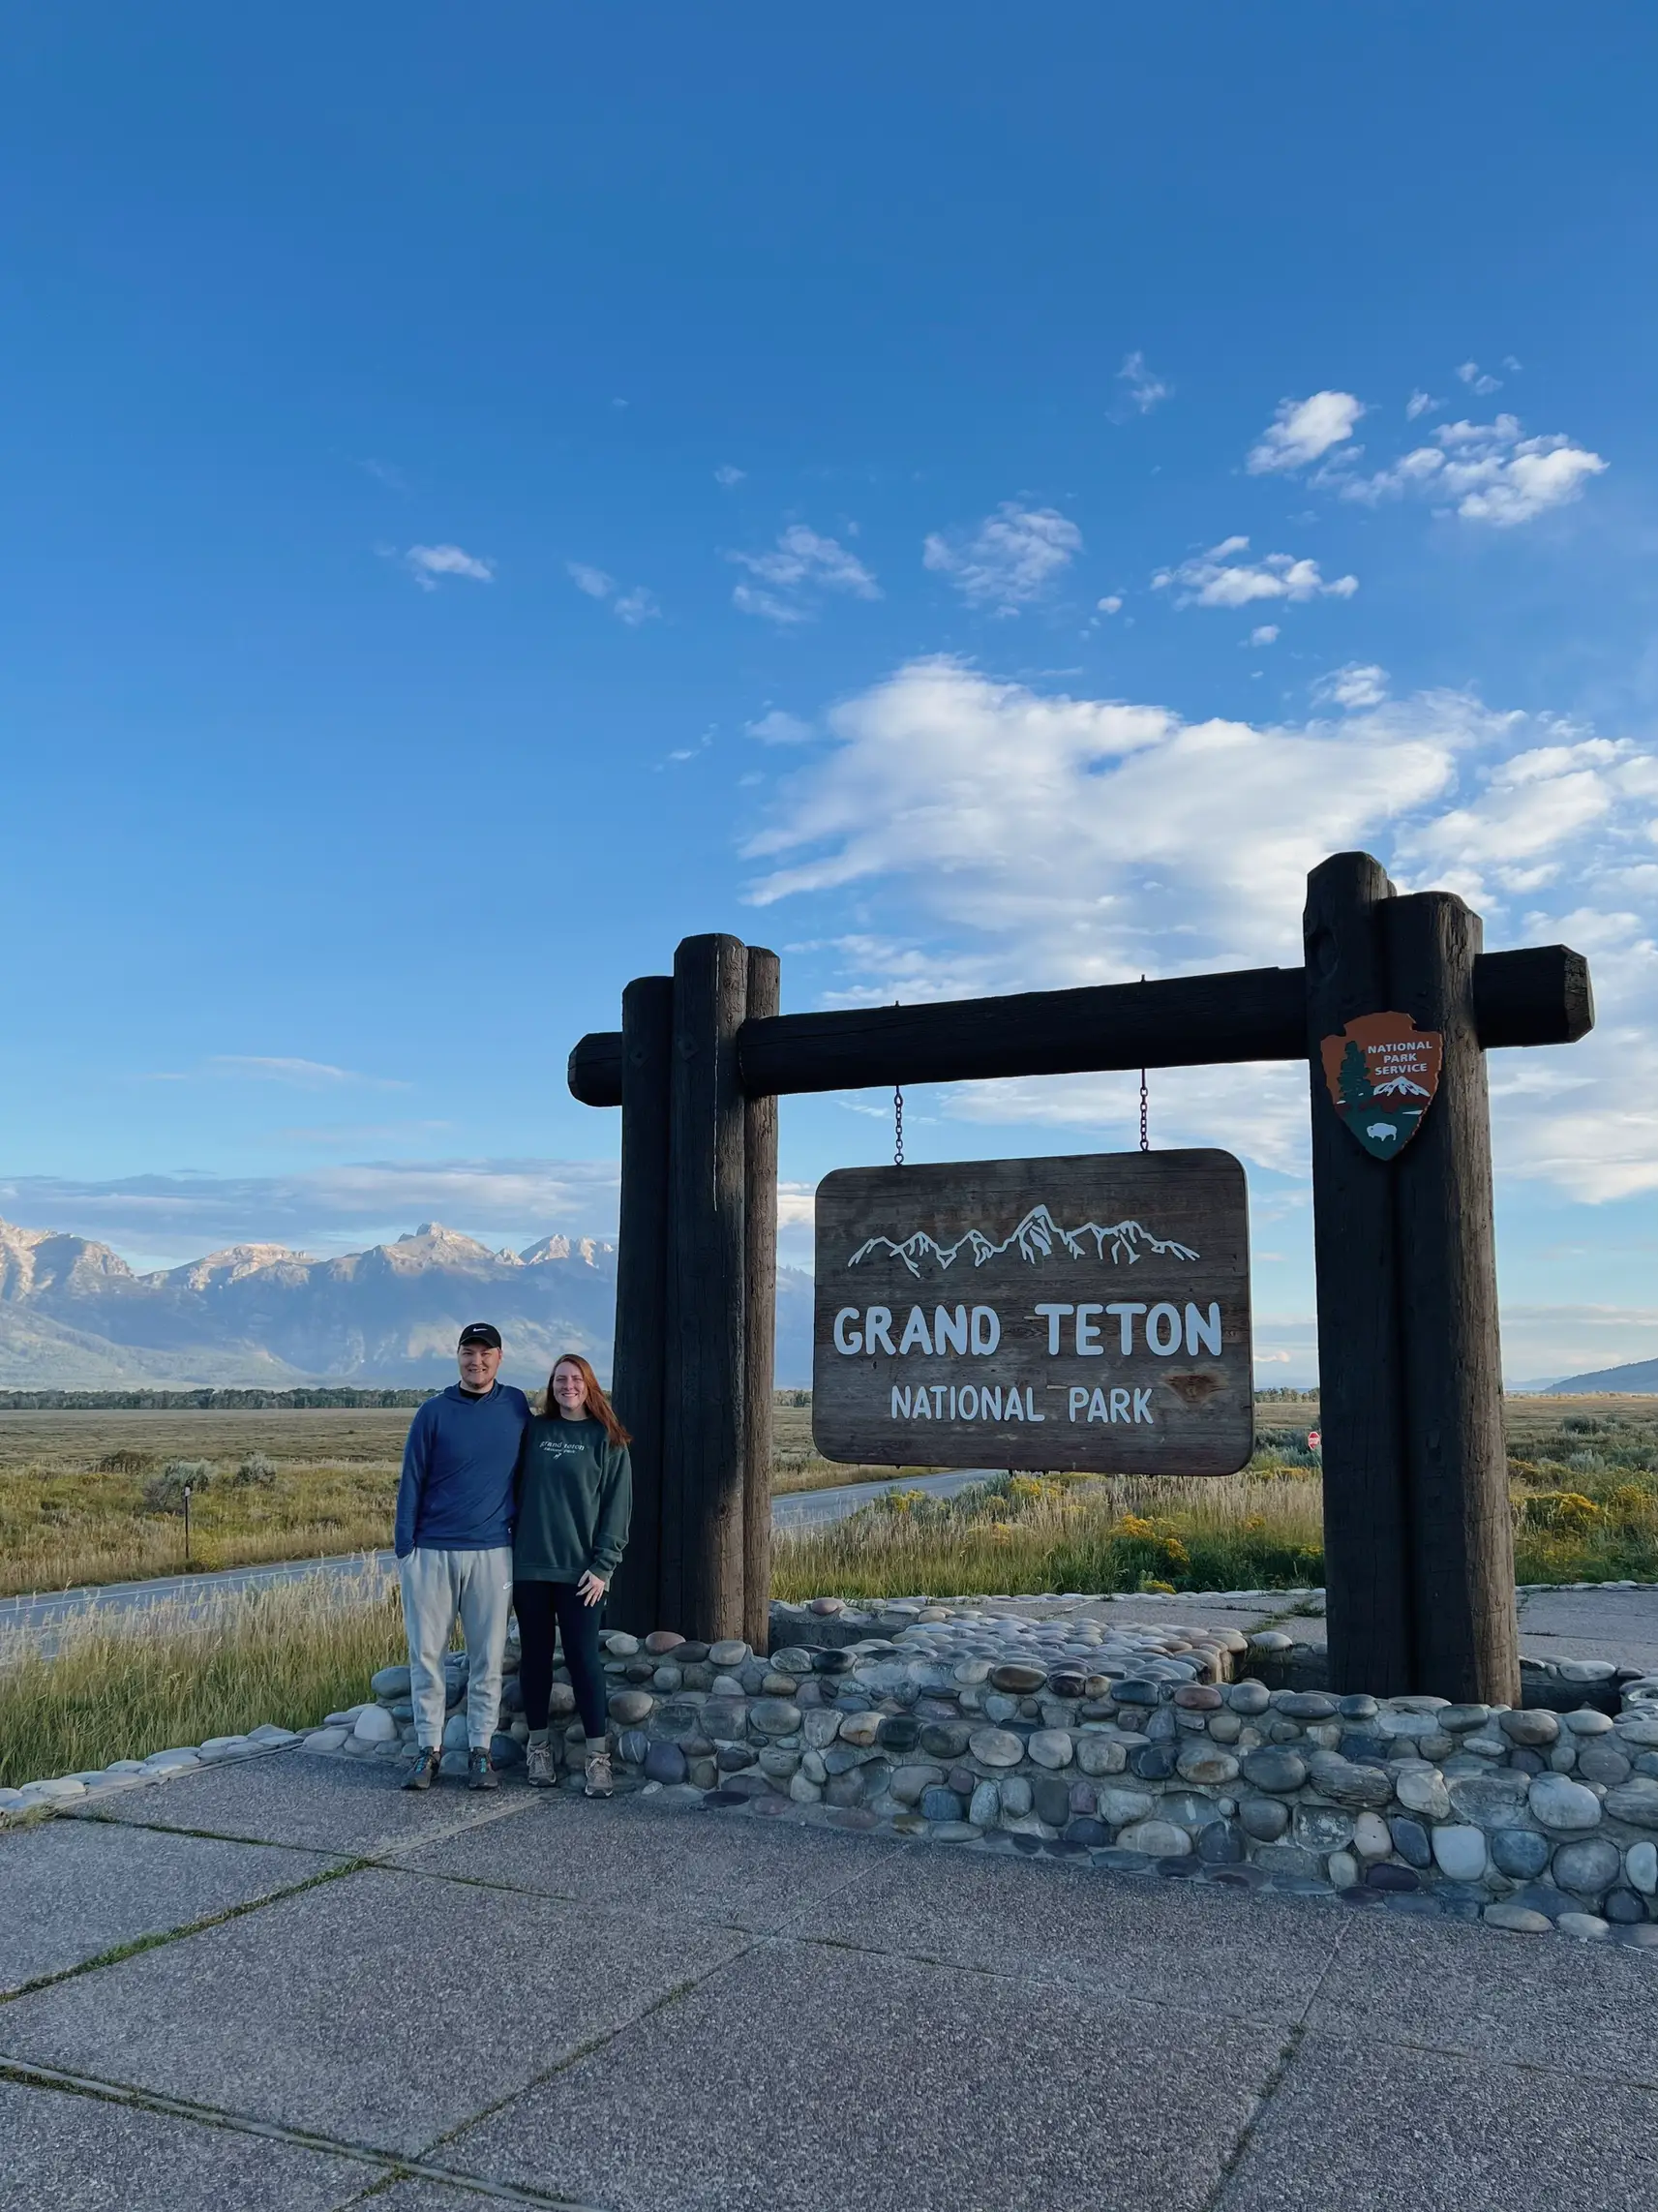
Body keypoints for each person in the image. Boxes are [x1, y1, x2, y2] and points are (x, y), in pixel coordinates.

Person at [394, 1322, 529, 1792]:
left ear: (499, 1358)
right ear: (457, 1357)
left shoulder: (515, 1407)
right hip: (431, 1550)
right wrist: (404, 1550)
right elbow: (410, 1480)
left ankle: (480, 1751)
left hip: (493, 1552)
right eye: (468, 1353)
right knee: (425, 1654)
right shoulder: (432, 1413)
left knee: (486, 1656)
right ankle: (427, 1751)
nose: (477, 1361)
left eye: (485, 1353)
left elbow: (531, 1474)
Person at [513, 1351, 632, 1798]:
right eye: (560, 1379)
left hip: (583, 1574)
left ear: (589, 1385)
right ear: (551, 1386)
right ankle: (538, 1748)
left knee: (584, 1659)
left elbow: (617, 1511)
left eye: (575, 1379)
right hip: (530, 1567)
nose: (567, 1386)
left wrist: (603, 1566)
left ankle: (598, 1758)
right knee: (536, 1657)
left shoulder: (608, 1439)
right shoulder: (535, 1431)